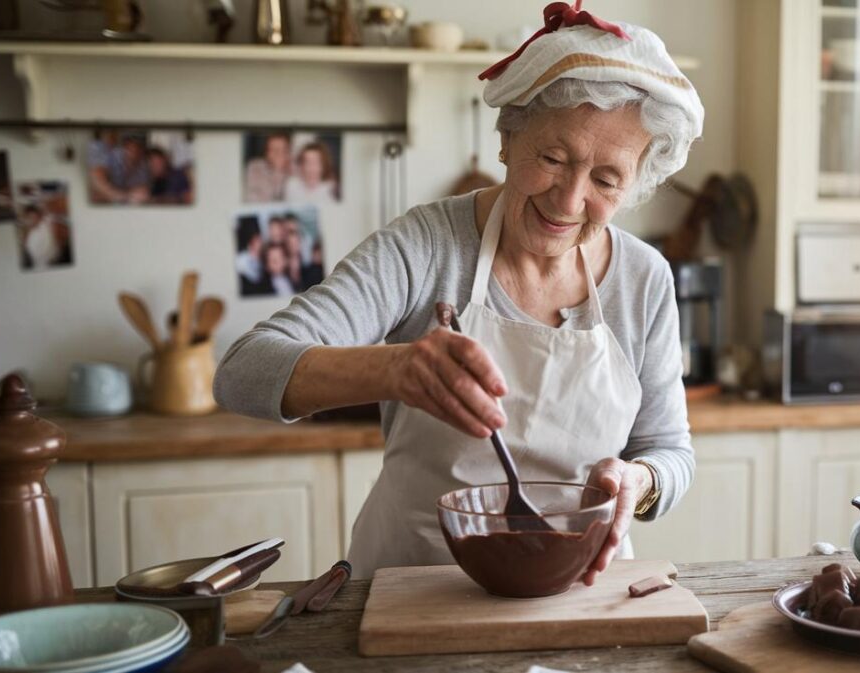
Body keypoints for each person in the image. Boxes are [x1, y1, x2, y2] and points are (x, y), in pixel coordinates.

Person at [214, 2, 704, 583]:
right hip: (412, 586)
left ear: (635, 183)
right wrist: (393, 370)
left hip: (577, 588)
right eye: (551, 158)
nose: (570, 201)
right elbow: (242, 372)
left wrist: (638, 482)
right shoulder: (426, 245)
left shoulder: (643, 277)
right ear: (507, 138)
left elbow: (670, 450)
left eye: (605, 179)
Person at [87, 132, 149, 204]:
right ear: (125, 146)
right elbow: (96, 189)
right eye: (130, 145)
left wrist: (130, 195)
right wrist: (124, 196)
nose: (134, 150)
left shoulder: (143, 165)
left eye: (139, 147)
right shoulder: (111, 156)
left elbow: (142, 193)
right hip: (102, 209)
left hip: (125, 209)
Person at [244, 132, 293, 202]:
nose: (279, 154)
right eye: (274, 150)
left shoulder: (295, 168)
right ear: (266, 153)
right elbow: (251, 198)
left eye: (283, 150)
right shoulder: (255, 167)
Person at [235, 216, 268, 295]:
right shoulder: (241, 260)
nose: (261, 242)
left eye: (260, 239)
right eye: (257, 240)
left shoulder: (262, 260)